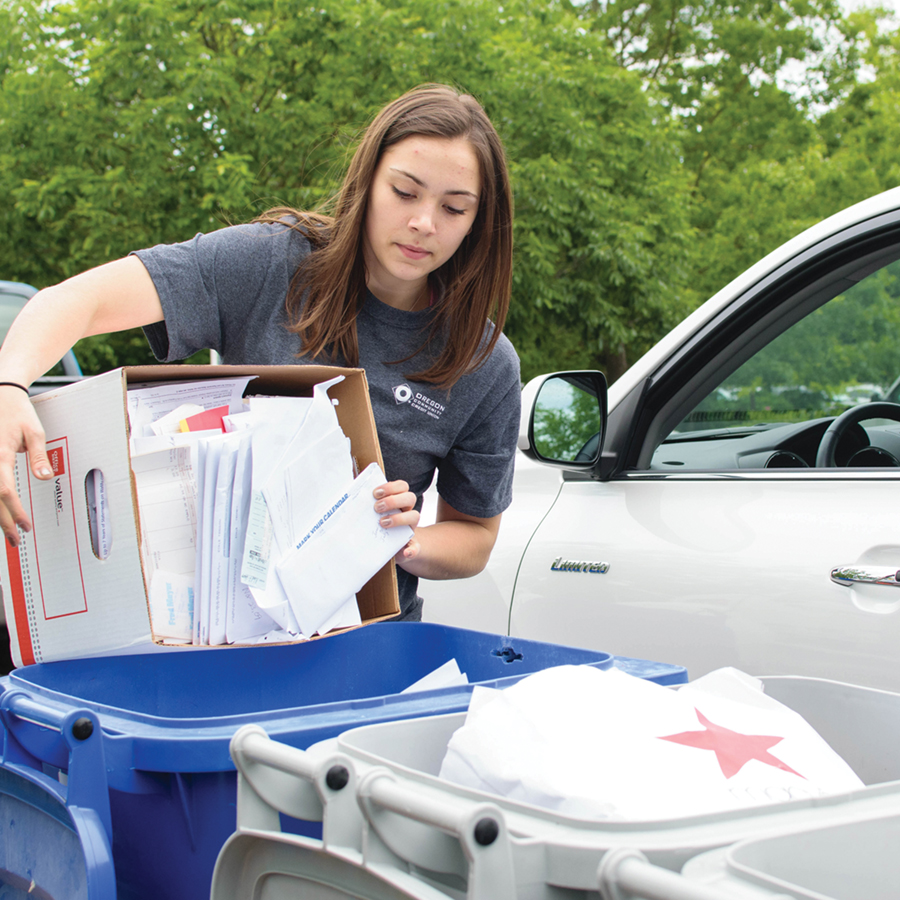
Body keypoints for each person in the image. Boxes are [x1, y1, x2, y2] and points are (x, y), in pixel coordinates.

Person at [0, 83, 520, 622]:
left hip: (363, 646)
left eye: (454, 208)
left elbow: (475, 537)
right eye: (405, 193)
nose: (424, 224)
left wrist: (406, 542)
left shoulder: (487, 364)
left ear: (479, 223)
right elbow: (74, 301)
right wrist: (10, 385)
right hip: (216, 631)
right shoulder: (269, 262)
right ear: (367, 181)